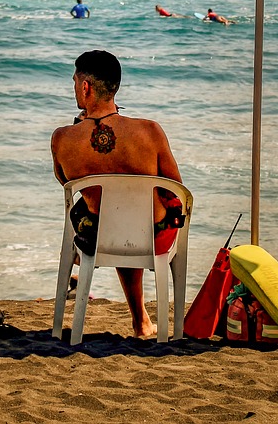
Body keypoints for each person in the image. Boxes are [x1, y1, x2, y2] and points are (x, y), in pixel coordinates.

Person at [51, 49, 183, 339]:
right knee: (139, 211)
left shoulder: (63, 138)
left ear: (85, 87)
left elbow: (64, 181)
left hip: (100, 236)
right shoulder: (150, 131)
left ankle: (140, 320)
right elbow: (175, 186)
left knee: (96, 211)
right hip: (151, 235)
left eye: (74, 82)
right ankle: (142, 322)